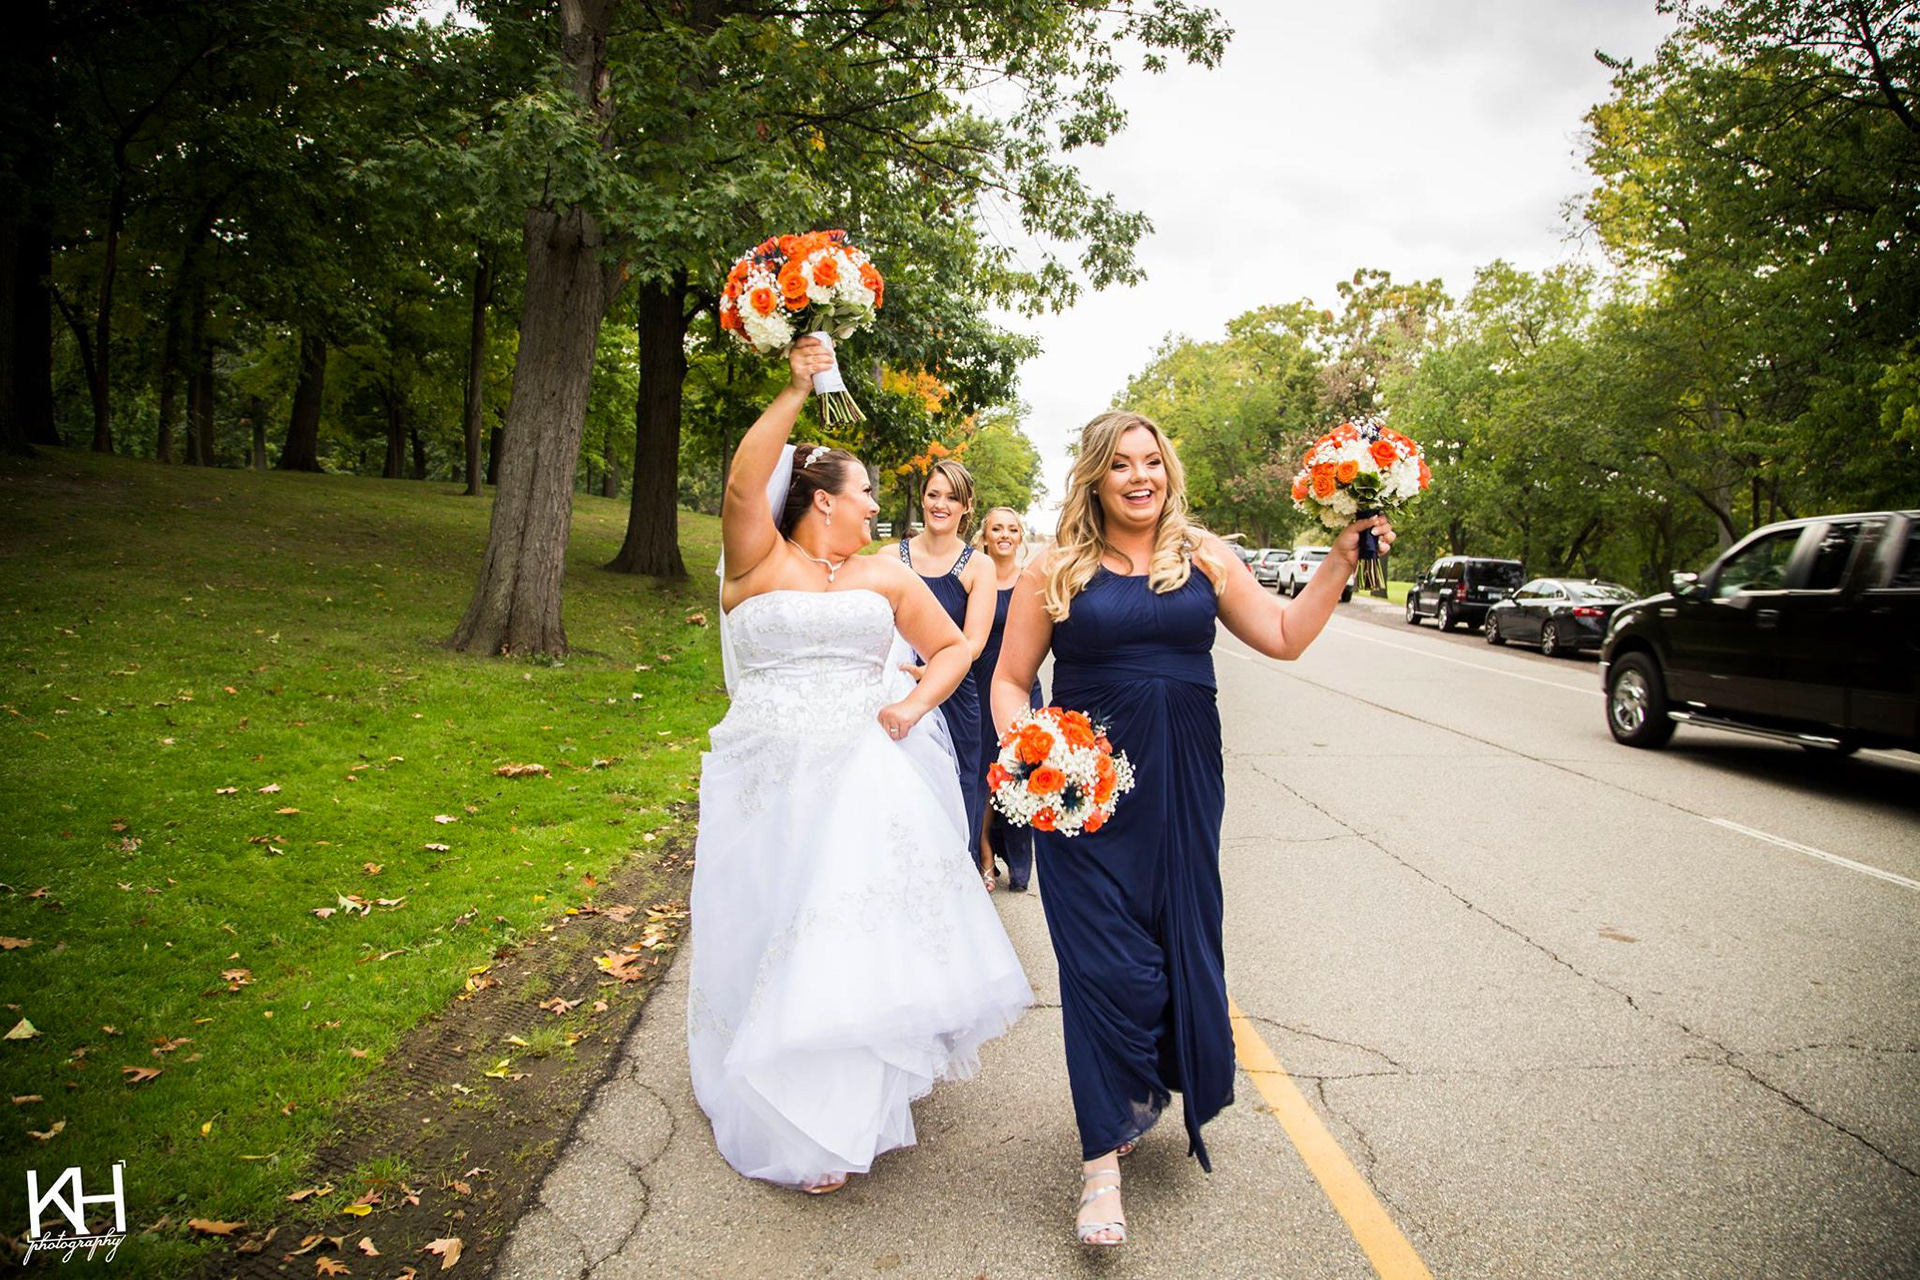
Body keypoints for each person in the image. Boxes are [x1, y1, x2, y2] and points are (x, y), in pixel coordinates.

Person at [989, 410, 1393, 1247]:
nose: (1140, 477)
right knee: (1104, 967)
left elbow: (1283, 635)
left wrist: (1338, 561)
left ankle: (1134, 1089)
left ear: (1167, 472)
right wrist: (1032, 751)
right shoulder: (1053, 567)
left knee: (1169, 954)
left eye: (1152, 462)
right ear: (1094, 478)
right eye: (1121, 465)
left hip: (1182, 786)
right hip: (1085, 791)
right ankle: (1100, 1168)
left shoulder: (1204, 555)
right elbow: (1010, 679)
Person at [687, 338, 1031, 1195]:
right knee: (768, 923)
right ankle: (763, 1064)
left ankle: (835, 1111)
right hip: (764, 774)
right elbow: (742, 486)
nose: (878, 505)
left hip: (860, 773)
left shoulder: (882, 577)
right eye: (866, 492)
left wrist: (912, 707)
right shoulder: (757, 560)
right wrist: (797, 389)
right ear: (822, 500)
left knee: (842, 931)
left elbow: (952, 651)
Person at [884, 460, 997, 875]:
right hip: (895, 687)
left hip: (954, 693)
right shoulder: (889, 558)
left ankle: (956, 877)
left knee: (960, 780)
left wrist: (929, 671)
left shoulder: (978, 566)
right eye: (933, 494)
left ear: (966, 506)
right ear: (922, 498)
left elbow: (973, 643)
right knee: (900, 783)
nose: (940, 504)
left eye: (952, 497)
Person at [973, 505, 1043, 893]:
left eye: (1012, 529)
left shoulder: (1030, 579)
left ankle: (1018, 858)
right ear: (984, 536)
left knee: (1020, 773)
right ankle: (983, 853)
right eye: (997, 528)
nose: (1004, 535)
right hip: (981, 683)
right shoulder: (972, 576)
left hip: (1023, 685)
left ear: (1020, 537)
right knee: (985, 773)